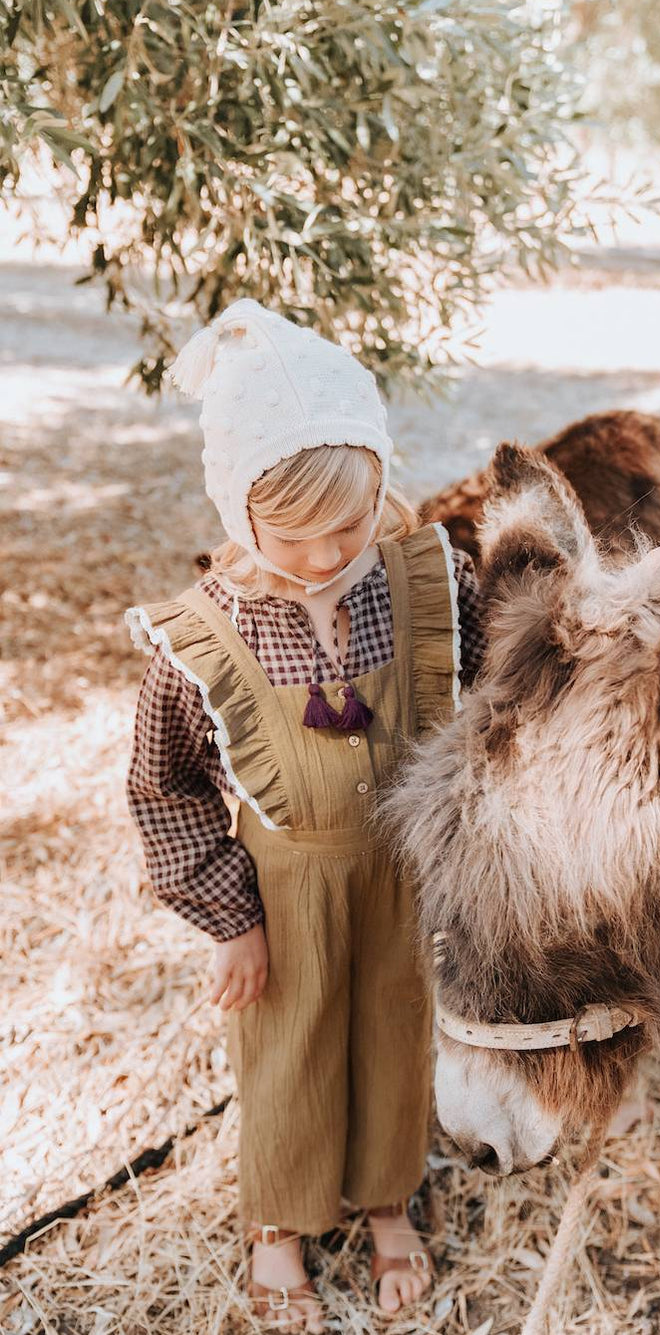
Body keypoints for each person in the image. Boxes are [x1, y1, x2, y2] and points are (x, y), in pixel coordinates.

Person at [125, 299, 486, 1331]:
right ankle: (278, 1222)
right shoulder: (199, 638)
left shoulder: (429, 581)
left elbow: (502, 686)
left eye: (351, 521)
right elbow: (168, 788)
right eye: (295, 532)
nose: (329, 553)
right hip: (285, 882)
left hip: (404, 866)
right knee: (286, 1046)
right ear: (238, 509)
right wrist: (230, 918)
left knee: (392, 1024)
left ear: (381, 480)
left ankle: (384, 1196)